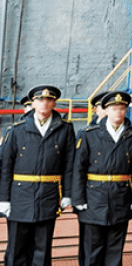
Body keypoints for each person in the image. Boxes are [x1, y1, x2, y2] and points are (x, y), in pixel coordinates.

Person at [0, 85, 75, 266]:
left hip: (48, 195)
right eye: (40, 100)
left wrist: (67, 194)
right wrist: (4, 199)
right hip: (20, 195)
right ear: (33, 103)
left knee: (42, 247)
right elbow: (5, 167)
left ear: (54, 103)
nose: (44, 103)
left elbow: (69, 164)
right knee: (16, 247)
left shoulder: (65, 130)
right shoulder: (16, 130)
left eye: (49, 100)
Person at [73, 91, 132, 266]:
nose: (119, 112)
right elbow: (78, 168)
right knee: (92, 249)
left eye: (122, 109)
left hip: (121, 196)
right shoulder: (89, 134)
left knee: (115, 249)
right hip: (93, 197)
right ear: (106, 110)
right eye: (114, 109)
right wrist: (78, 198)